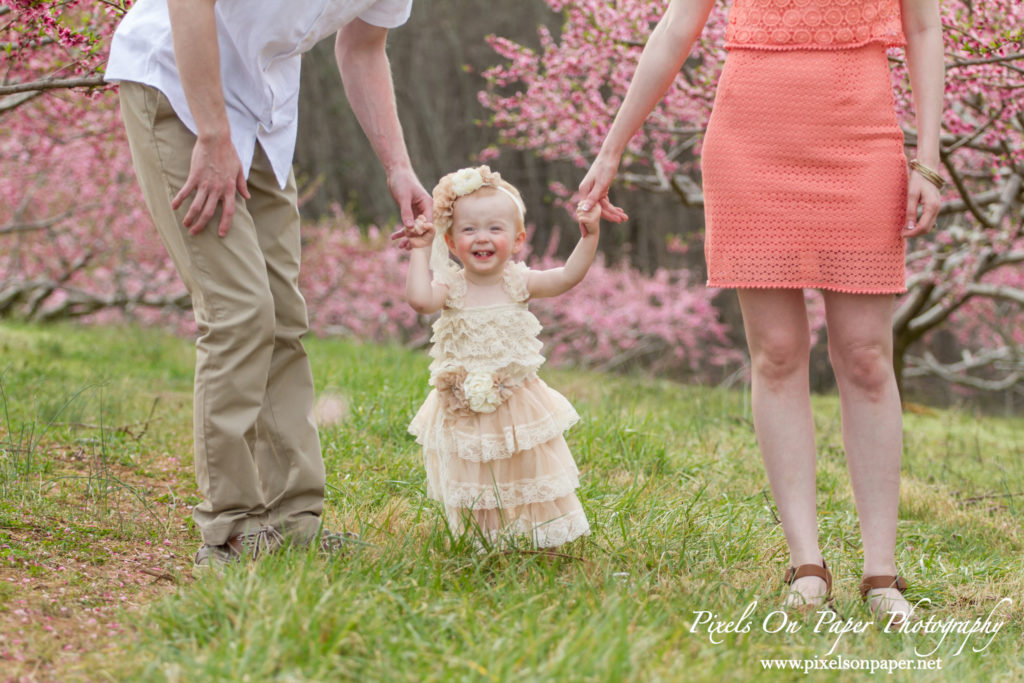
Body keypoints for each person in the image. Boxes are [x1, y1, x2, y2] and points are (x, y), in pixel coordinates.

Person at [578, 0, 943, 626]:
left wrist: (928, 161)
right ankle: (807, 567)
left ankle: (881, 573)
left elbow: (924, 26)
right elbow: (676, 27)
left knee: (865, 359)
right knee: (775, 353)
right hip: (749, 148)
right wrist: (613, 148)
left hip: (863, 145)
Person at [105, 0, 432, 573]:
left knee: (283, 314)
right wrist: (212, 135)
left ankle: (293, 519)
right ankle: (230, 526)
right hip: (180, 87)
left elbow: (362, 48)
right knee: (239, 311)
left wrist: (397, 165)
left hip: (263, 111)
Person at [401, 166, 598, 548]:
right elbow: (419, 300)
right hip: (464, 406)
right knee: (474, 472)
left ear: (518, 238)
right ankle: (482, 539)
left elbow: (567, 276)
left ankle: (536, 534)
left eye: (495, 228)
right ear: (452, 241)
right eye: (469, 229)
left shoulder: (518, 283)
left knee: (524, 469)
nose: (482, 238)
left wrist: (589, 236)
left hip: (516, 404)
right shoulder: (450, 288)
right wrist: (420, 250)